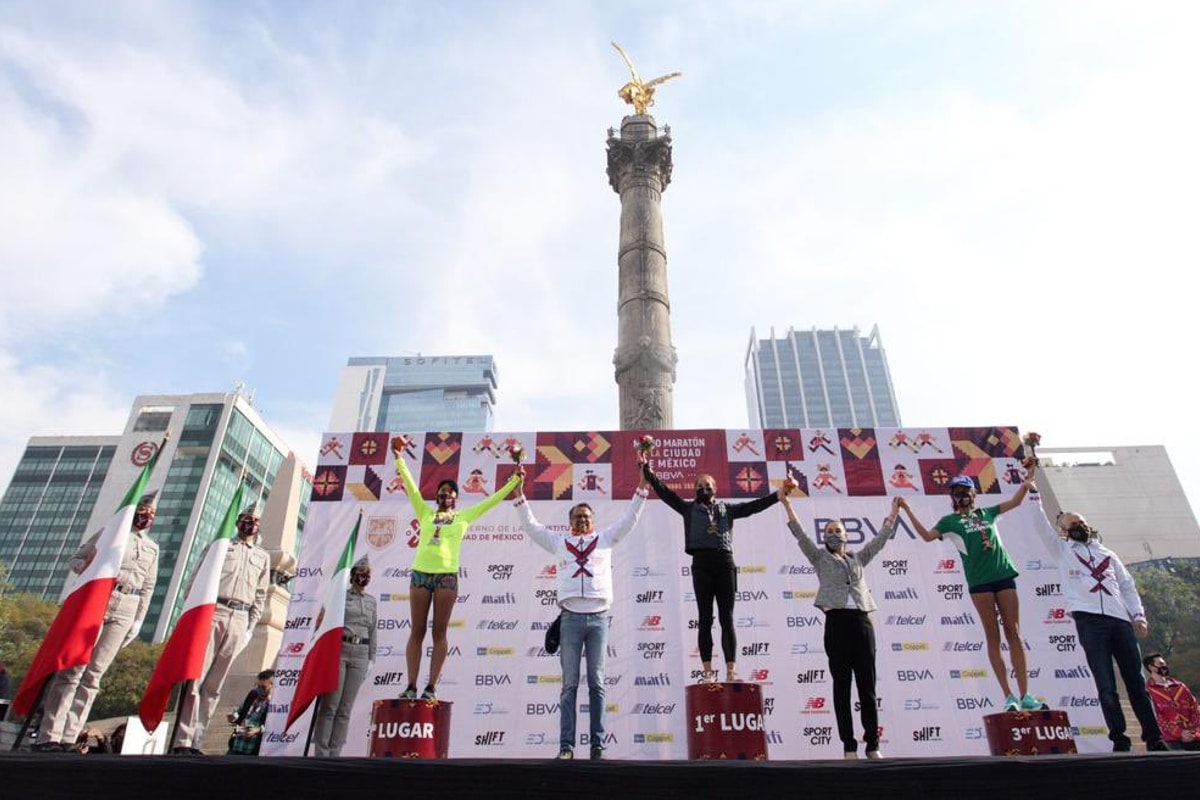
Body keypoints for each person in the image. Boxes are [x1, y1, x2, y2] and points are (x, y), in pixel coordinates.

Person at [513, 454, 650, 760]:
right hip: (571, 619)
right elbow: (531, 526)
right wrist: (519, 492)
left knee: (598, 684)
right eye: (577, 517)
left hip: (599, 619)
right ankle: (566, 747)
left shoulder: (605, 539)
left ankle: (597, 746)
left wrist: (643, 481)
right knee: (569, 685)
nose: (583, 521)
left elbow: (630, 518)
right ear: (570, 522)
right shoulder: (559, 542)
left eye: (587, 517)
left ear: (593, 522)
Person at [1027, 503, 1167, 752]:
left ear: (1088, 524)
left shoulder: (1107, 554)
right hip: (1089, 621)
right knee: (1105, 684)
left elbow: (1127, 586)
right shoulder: (1062, 551)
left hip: (1120, 621)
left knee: (1136, 680)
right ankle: (1119, 739)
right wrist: (1032, 491)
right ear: (1064, 532)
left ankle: (1154, 737)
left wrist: (1138, 615)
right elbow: (1041, 526)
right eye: (1071, 525)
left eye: (1079, 522)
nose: (1077, 527)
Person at [392, 436, 521, 701]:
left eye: (450, 492)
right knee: (417, 631)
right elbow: (410, 486)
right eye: (442, 491)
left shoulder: (464, 517)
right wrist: (399, 457)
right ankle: (411, 686)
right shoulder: (425, 513)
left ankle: (431, 687)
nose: (445, 495)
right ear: (436, 496)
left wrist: (516, 480)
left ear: (456, 499)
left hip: (447, 578)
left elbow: (493, 500)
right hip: (420, 574)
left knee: (439, 632)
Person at [897, 472, 1038, 711]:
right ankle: (1008, 696)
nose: (961, 495)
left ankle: (1026, 695)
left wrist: (1026, 483)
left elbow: (1015, 502)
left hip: (1003, 574)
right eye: (956, 492)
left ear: (974, 493)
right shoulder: (949, 521)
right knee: (992, 635)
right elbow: (927, 537)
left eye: (965, 491)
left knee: (1013, 632)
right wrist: (907, 510)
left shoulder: (988, 513)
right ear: (951, 496)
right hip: (979, 582)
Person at [34, 492, 160, 752]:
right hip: (100, 597)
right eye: (143, 510)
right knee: (73, 670)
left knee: (94, 676)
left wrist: (138, 620)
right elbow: (75, 560)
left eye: (152, 514)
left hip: (127, 605)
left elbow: (148, 587)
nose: (147, 516)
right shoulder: (110, 533)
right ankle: (50, 734)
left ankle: (71, 736)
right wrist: (87, 565)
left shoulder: (152, 548)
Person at [781, 489, 901, 760]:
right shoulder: (819, 557)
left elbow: (880, 540)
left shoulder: (858, 558)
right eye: (829, 532)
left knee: (867, 686)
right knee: (841, 687)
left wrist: (893, 515)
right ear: (824, 538)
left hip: (861, 622)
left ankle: (872, 744)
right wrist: (787, 504)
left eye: (838, 530)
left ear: (847, 536)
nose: (834, 534)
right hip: (836, 624)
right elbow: (800, 534)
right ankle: (849, 746)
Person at [641, 461, 781, 683]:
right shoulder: (688, 509)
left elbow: (754, 506)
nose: (704, 488)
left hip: (725, 563)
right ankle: (707, 673)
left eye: (708, 485)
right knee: (705, 618)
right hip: (701, 564)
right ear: (694, 489)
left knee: (727, 618)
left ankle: (731, 671)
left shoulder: (728, 510)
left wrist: (779, 495)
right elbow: (665, 493)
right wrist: (647, 471)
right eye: (700, 485)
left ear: (715, 488)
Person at [172, 502, 271, 755]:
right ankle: (182, 739)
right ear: (238, 521)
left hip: (240, 617)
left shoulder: (262, 557)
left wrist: (250, 626)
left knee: (214, 687)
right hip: (214, 612)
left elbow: (260, 595)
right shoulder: (219, 547)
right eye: (246, 519)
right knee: (195, 679)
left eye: (255, 520)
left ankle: (197, 740)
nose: (250, 524)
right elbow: (195, 581)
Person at [312, 555, 377, 757]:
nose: (364, 577)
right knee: (330, 705)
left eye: (367, 575)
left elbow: (373, 630)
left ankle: (335, 753)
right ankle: (321, 753)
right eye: (361, 573)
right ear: (352, 575)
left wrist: (371, 659)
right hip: (340, 650)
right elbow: (325, 623)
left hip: (360, 653)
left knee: (345, 708)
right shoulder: (339, 597)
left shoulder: (372, 602)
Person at [1144, 653, 1200, 750]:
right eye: (1161, 664)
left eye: (1165, 664)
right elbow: (1157, 718)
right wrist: (1180, 733)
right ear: (1151, 667)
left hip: (1194, 737)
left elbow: (1195, 708)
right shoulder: (1148, 691)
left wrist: (1193, 732)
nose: (1164, 667)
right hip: (1170, 741)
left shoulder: (1181, 687)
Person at [227, 670, 274, 756]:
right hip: (237, 744)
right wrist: (233, 717)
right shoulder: (253, 696)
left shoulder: (274, 704)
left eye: (263, 687)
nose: (259, 690)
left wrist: (258, 730)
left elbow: (275, 727)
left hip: (253, 749)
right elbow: (240, 712)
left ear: (272, 685)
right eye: (257, 686)